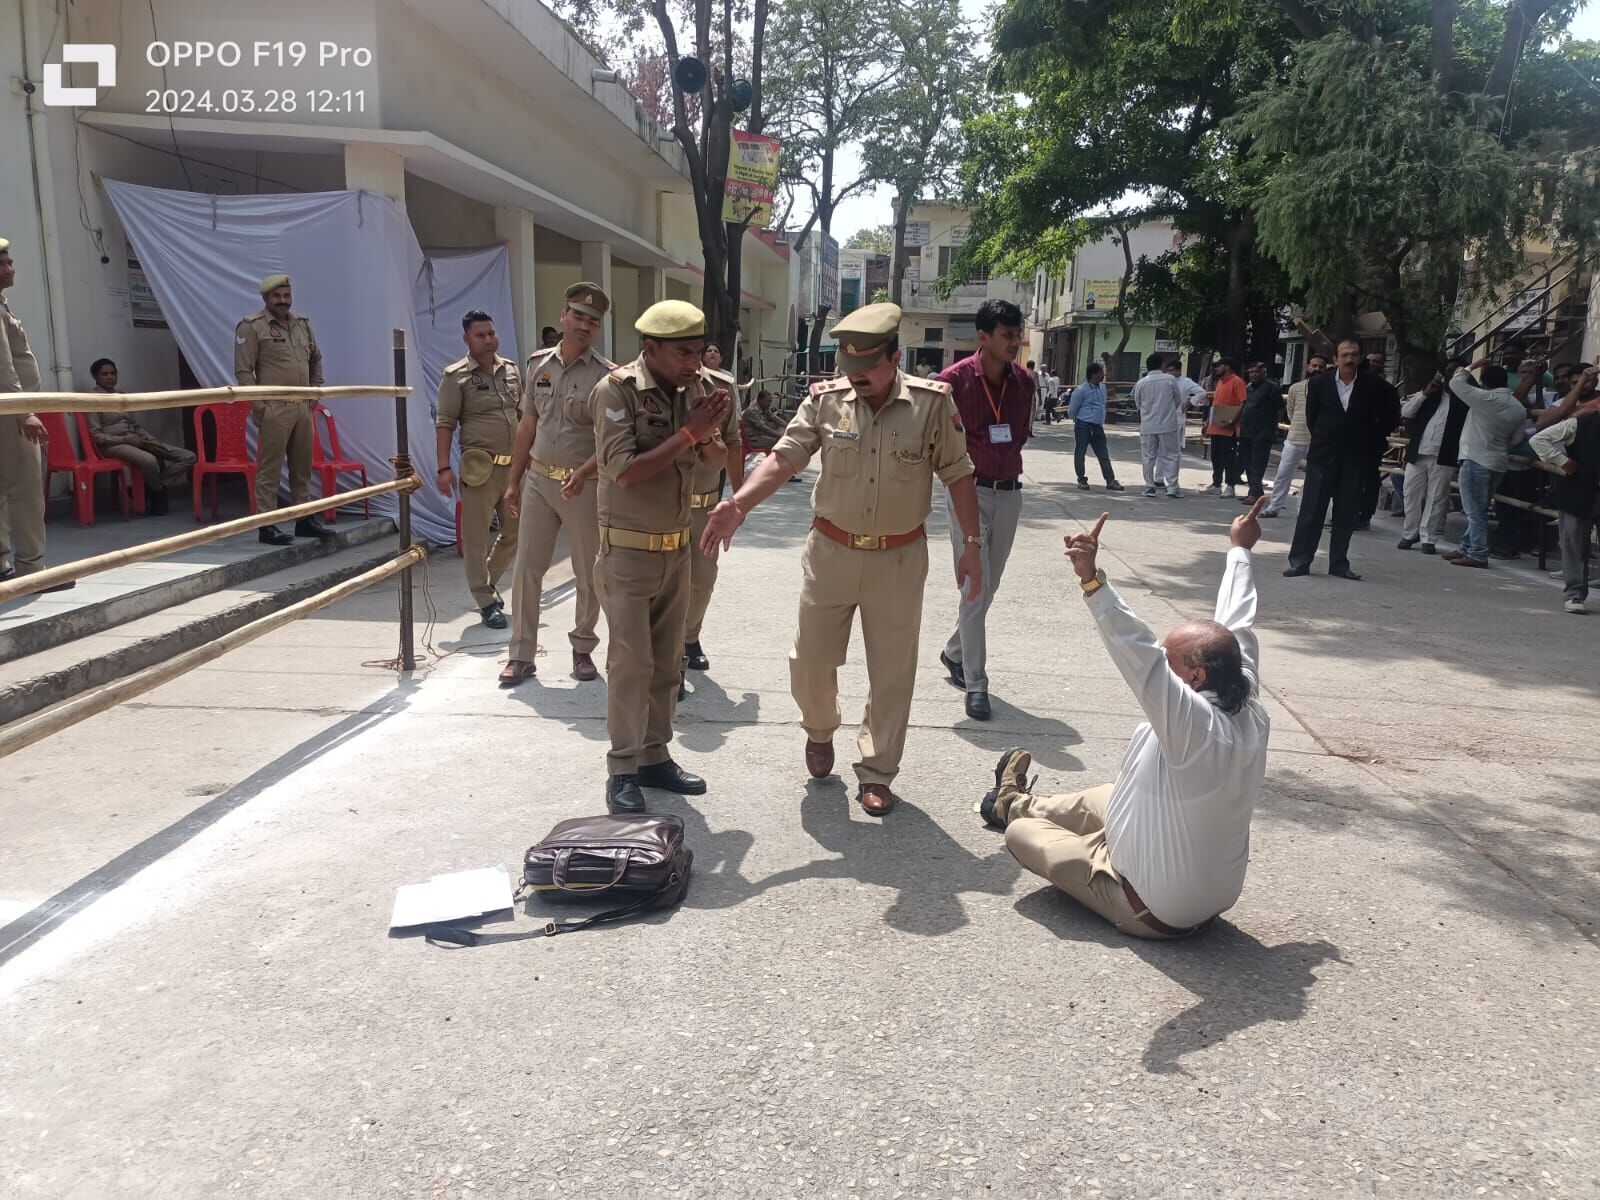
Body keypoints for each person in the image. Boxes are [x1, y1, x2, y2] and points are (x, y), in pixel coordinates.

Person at [700, 302, 983, 817]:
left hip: (898, 559)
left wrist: (971, 545)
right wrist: (738, 505)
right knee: (808, 660)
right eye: (848, 371)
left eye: (867, 370)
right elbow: (785, 458)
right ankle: (819, 727)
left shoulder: (931, 404)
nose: (857, 380)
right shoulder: (828, 401)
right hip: (830, 551)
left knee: (893, 673)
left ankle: (876, 771)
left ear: (894, 357)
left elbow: (958, 474)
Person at [977, 499, 1270, 938]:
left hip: (1153, 905)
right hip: (1211, 892)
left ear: (1195, 677)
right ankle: (1015, 801)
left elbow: (1140, 655)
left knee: (1021, 836)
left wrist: (1093, 581)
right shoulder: (1244, 694)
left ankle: (1018, 815)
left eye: (1173, 663)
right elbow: (1237, 620)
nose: (1165, 669)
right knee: (1109, 794)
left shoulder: (1195, 727)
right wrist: (1240, 549)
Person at [592, 300, 732, 814]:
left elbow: (713, 458)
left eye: (698, 351)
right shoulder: (616, 392)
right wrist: (690, 432)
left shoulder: (693, 392)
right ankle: (622, 767)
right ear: (650, 348)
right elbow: (624, 471)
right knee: (631, 664)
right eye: (683, 352)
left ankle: (654, 755)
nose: (694, 362)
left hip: (677, 548)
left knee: (667, 666)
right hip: (627, 552)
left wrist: (712, 429)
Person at [500, 284, 613, 685]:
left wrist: (583, 474)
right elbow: (527, 425)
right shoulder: (537, 366)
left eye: (593, 321)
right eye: (578, 316)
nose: (585, 325)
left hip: (581, 487)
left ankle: (583, 648)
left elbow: (610, 442)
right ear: (564, 316)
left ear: (599, 328)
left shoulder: (607, 377)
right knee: (527, 568)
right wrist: (513, 482)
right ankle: (521, 654)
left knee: (588, 572)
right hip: (538, 482)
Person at [933, 298, 1033, 720]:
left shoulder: (1025, 383)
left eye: (1017, 335)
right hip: (968, 492)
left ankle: (954, 651)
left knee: (988, 587)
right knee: (975, 587)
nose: (1015, 343)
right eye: (1007, 335)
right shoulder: (951, 383)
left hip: (1009, 491)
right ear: (984, 337)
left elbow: (1021, 433)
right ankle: (976, 684)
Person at [436, 310, 521, 628]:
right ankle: (486, 602)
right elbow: (445, 423)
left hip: (512, 468)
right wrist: (443, 468)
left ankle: (487, 585)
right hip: (478, 470)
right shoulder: (455, 376)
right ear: (466, 339)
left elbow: (523, 415)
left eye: (491, 333)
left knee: (514, 533)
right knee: (475, 539)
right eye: (480, 335)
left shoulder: (511, 370)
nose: (488, 340)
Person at [234, 273, 333, 545]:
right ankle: (267, 525)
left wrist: (315, 391)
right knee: (271, 470)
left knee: (302, 467)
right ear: (266, 298)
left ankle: (304, 519)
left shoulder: (302, 325)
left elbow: (316, 359)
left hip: (302, 407)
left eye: (286, 296)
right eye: (276, 296)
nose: (283, 301)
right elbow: (244, 372)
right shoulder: (252, 327)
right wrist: (260, 407)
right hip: (274, 408)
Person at [1284, 339, 1389, 580]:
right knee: (1311, 511)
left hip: (1354, 458)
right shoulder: (1319, 383)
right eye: (1344, 355)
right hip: (1323, 456)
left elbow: (1388, 415)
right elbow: (1312, 416)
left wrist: (1370, 440)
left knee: (1346, 513)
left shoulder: (1373, 385)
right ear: (1336, 359)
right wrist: (1325, 437)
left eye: (1353, 355)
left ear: (1360, 358)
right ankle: (1300, 561)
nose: (1349, 359)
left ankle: (1339, 564)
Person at [0, 237, 71, 590]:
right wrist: (24, 410)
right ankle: (32, 570)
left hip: (6, 411)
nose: (10, 268)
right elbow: (4, 365)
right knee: (26, 489)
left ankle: (2, 564)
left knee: (1, 488)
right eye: (3, 263)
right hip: (9, 413)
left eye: (9, 261)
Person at [682, 340, 746, 678]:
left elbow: (733, 441)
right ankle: (670, 655)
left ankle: (690, 638)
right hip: (662, 507)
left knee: (702, 581)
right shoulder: (655, 387)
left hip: (704, 504)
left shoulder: (721, 389)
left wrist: (739, 498)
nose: (692, 359)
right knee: (664, 585)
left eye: (697, 350)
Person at [1442, 359, 1529, 570]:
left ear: (1485, 382)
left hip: (1475, 458)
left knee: (1474, 510)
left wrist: (1472, 365)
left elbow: (1456, 383)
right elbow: (1518, 439)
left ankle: (1478, 553)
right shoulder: (1518, 407)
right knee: (1479, 506)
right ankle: (1466, 547)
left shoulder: (1485, 398)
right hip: (1498, 462)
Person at [84, 358, 195, 516]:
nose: (110, 377)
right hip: (112, 445)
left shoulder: (123, 396)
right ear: (96, 377)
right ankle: (157, 494)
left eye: (113, 373)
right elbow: (97, 436)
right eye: (104, 374)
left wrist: (150, 440)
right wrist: (124, 440)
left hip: (135, 438)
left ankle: (151, 486)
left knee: (189, 457)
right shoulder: (92, 400)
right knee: (150, 460)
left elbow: (135, 426)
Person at [1529, 365, 1600, 613]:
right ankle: (1574, 594)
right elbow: (1539, 438)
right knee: (1573, 544)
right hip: (1578, 489)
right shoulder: (1581, 421)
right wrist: (1563, 462)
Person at [1396, 369, 1467, 556]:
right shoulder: (1429, 395)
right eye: (1449, 374)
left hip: (1444, 455)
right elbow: (1407, 412)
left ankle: (1428, 538)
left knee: (1436, 497)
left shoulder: (1464, 400)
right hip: (1417, 453)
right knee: (1410, 493)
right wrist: (1425, 393)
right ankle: (1410, 533)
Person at [1262, 354, 1324, 518]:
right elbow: (1290, 411)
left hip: (1318, 441)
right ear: (1307, 367)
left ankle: (1303, 509)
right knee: (1283, 474)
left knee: (1312, 477)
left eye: (1321, 366)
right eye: (1314, 365)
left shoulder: (1329, 389)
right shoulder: (1295, 388)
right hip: (1295, 437)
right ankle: (1274, 506)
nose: (1317, 369)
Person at [1356, 351, 1403, 528]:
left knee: (1368, 478)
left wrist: (1376, 430)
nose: (1373, 364)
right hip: (1350, 441)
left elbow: (1393, 418)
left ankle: (1364, 515)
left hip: (1373, 442)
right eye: (1370, 361)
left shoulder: (1387, 390)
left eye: (1378, 362)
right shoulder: (1354, 385)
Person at [1132, 353, 1184, 498]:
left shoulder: (1141, 383)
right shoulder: (1170, 379)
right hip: (1168, 424)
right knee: (1172, 455)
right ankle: (1173, 488)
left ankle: (1149, 487)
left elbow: (1138, 404)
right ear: (1162, 365)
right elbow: (1177, 400)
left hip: (1148, 425)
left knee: (1148, 456)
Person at [1068, 361, 1123, 492]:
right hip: (1083, 425)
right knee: (1080, 452)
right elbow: (1072, 410)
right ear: (1092, 374)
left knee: (1103, 453)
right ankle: (1081, 479)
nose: (1103, 375)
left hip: (1097, 426)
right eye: (1100, 373)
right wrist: (1079, 420)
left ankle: (1110, 480)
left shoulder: (1102, 388)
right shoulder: (1081, 390)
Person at [1202, 357, 1245, 498]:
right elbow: (1216, 403)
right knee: (1216, 456)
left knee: (1229, 458)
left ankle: (1230, 486)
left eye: (1219, 365)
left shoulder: (1237, 382)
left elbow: (1242, 402)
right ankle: (1216, 484)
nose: (1216, 368)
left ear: (1227, 366)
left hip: (1228, 427)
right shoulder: (1220, 382)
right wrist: (1208, 421)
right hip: (1216, 424)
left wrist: (1233, 419)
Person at [1238, 362, 1280, 501]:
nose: (1253, 375)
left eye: (1257, 372)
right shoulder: (1248, 387)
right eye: (1251, 372)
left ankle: (1254, 493)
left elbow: (1280, 408)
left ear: (1264, 373)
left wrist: (1274, 427)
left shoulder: (1272, 387)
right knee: (1247, 461)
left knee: (1258, 462)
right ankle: (1255, 491)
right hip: (1247, 429)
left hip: (1263, 430)